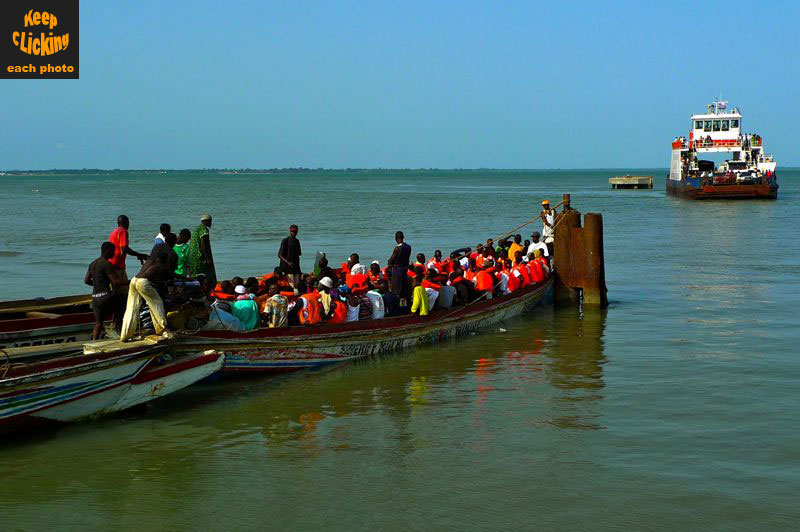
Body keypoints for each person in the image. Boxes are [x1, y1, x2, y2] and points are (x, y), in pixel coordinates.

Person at [120, 251, 174, 341]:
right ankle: (162, 329)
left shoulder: (149, 263)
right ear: (165, 259)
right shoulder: (162, 266)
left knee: (132, 308)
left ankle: (125, 335)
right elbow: (172, 275)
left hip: (134, 280)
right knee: (157, 303)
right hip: (142, 283)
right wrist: (188, 279)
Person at [84, 241, 128, 339]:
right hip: (105, 298)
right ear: (107, 251)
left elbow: (86, 281)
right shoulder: (107, 264)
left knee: (99, 323)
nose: (114, 253)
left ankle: (94, 342)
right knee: (123, 302)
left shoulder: (93, 263)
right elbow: (116, 282)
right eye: (113, 251)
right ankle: (118, 330)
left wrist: (97, 284)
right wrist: (132, 281)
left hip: (95, 299)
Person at [108, 215, 149, 280]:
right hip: (118, 265)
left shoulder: (114, 232)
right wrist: (139, 255)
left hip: (111, 264)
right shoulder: (123, 231)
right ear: (126, 223)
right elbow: (124, 248)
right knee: (123, 288)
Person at [188, 214, 216, 292]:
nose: (211, 223)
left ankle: (197, 288)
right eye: (210, 221)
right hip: (199, 256)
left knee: (195, 273)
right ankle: (207, 289)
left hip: (192, 256)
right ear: (206, 221)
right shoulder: (204, 230)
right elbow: (203, 244)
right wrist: (207, 258)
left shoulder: (197, 228)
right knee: (205, 274)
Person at [387, 231, 411, 299]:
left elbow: (390, 261)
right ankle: (404, 305)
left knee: (397, 291)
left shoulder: (397, 248)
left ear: (395, 238)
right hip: (405, 270)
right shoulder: (408, 247)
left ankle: (398, 306)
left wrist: (390, 263)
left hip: (397, 272)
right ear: (403, 237)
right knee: (404, 290)